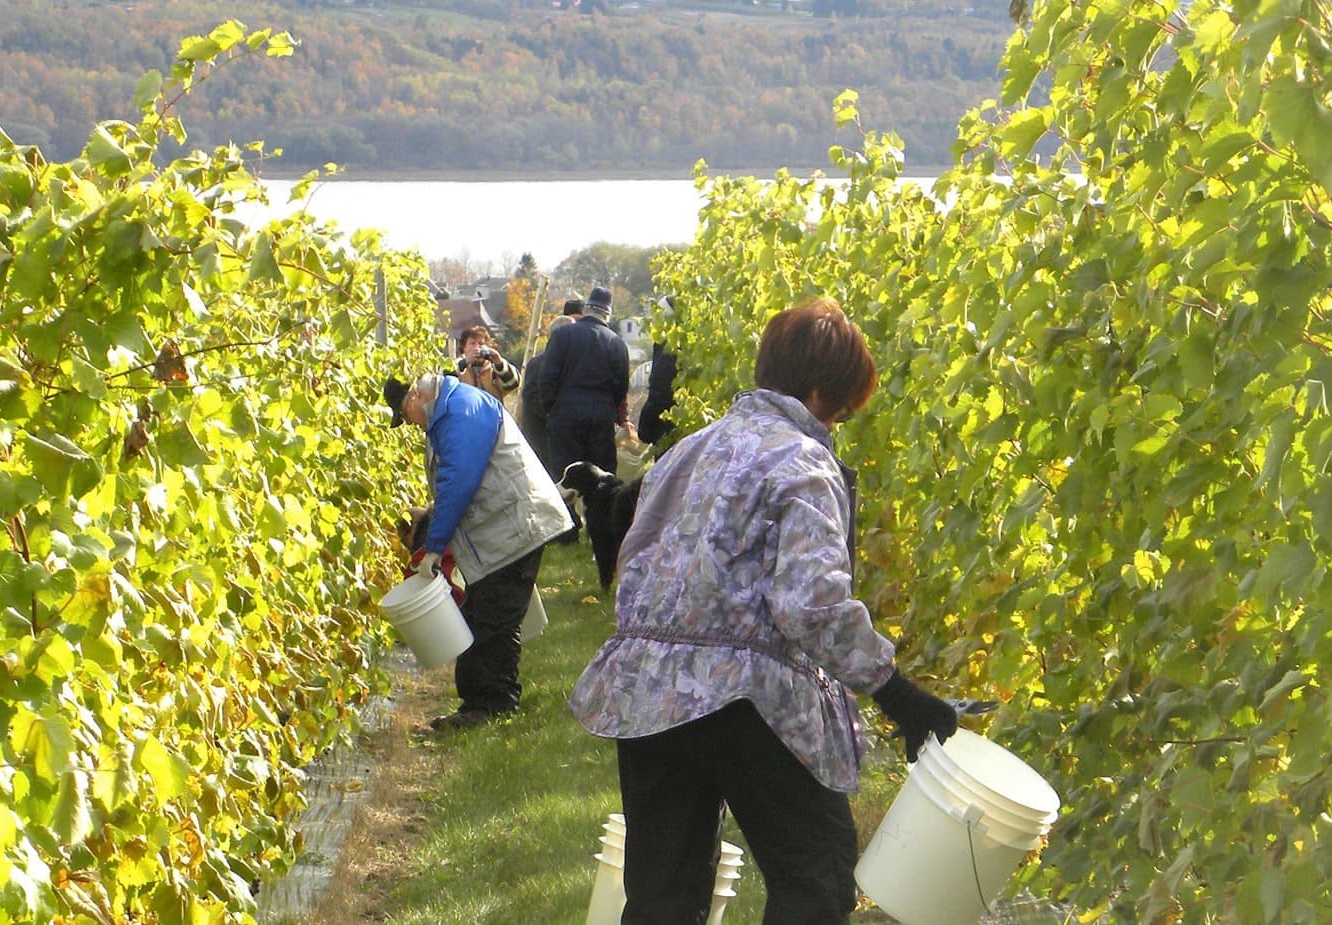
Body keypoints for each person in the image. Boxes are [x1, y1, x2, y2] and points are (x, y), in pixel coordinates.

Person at [568, 298, 960, 924]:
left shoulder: (688, 451)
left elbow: (634, 559)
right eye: (841, 409)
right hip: (747, 697)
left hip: (648, 691)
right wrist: (899, 695)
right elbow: (812, 603)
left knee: (662, 898)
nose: (837, 424)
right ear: (818, 391)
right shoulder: (802, 460)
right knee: (816, 876)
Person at [383, 371, 573, 731]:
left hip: (515, 526)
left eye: (406, 417)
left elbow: (459, 481)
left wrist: (433, 547)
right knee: (485, 613)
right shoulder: (451, 410)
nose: (411, 424)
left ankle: (492, 707)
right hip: (503, 528)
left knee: (492, 620)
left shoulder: (461, 410)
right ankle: (482, 704)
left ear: (415, 398)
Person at [531, 286, 631, 542]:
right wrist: (610, 411)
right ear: (607, 314)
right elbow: (621, 386)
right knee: (602, 479)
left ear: (587, 309)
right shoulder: (617, 343)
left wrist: (552, 408)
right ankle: (603, 533)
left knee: (565, 474)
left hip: (564, 414)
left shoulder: (563, 335)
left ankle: (567, 532)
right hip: (600, 416)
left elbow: (547, 376)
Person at [518, 301, 582, 475]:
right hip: (542, 440)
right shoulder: (540, 363)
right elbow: (532, 396)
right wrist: (560, 415)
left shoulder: (565, 362)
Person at [454, 322, 519, 400]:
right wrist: (465, 362)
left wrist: (500, 364)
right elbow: (446, 380)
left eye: (481, 344)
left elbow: (514, 384)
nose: (477, 348)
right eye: (472, 343)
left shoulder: (493, 370)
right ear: (464, 348)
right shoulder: (457, 366)